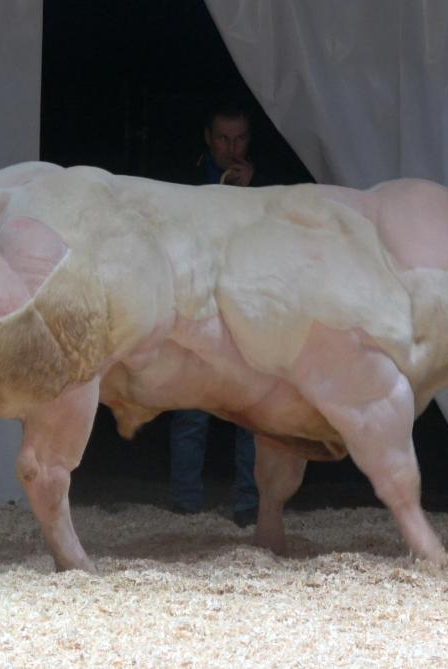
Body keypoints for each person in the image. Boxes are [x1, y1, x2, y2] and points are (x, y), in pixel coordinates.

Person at [167, 98, 265, 528]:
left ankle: (249, 504)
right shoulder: (182, 176)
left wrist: (252, 196)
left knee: (253, 409)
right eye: (223, 138)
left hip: (247, 300)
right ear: (208, 138)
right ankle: (187, 506)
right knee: (191, 407)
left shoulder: (266, 183)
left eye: (239, 137)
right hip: (196, 299)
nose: (232, 147)